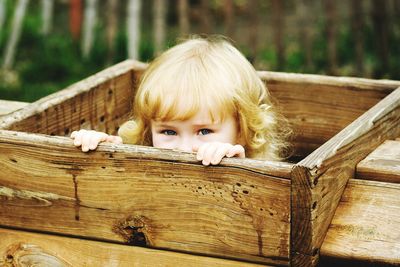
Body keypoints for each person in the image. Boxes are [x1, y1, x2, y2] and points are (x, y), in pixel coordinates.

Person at [71, 36, 291, 165]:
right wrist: (102, 151)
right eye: (169, 132)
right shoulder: (148, 160)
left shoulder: (260, 172)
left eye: (204, 131)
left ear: (242, 131)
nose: (184, 149)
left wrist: (239, 167)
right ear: (149, 131)